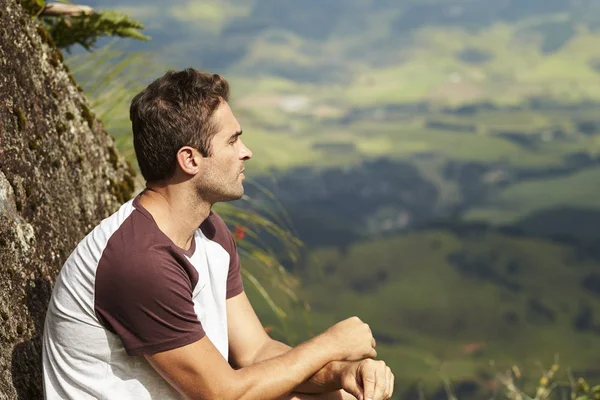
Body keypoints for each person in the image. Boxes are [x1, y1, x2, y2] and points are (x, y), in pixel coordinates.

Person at [42, 68, 395, 400]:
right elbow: (224, 394)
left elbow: (257, 351)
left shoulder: (208, 230)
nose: (246, 152)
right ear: (190, 159)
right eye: (233, 141)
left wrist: (343, 371)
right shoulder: (139, 261)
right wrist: (331, 344)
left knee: (339, 395)